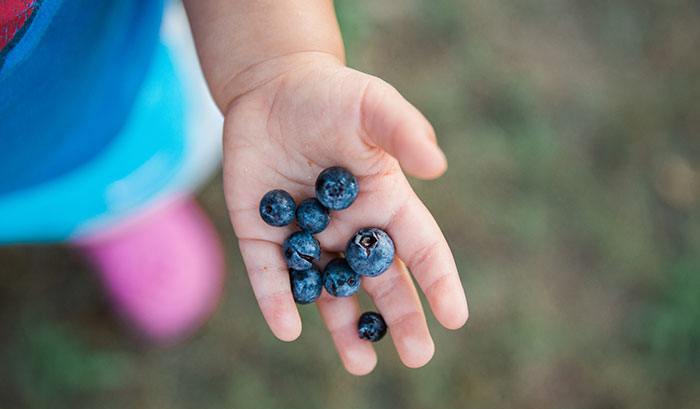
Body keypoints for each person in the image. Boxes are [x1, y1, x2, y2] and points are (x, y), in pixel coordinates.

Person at [0, 0, 469, 375]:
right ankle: (102, 212)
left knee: (126, 197)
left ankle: (120, 211)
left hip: (122, 111)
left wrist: (279, 60)